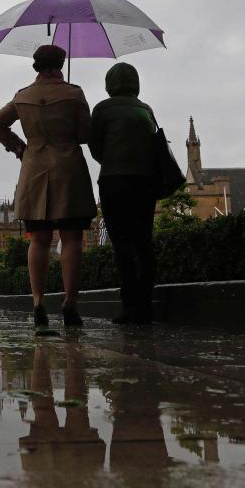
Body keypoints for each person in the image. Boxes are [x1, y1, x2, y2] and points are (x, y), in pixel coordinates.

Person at [0, 44, 96, 328]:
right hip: (69, 170)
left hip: (34, 171)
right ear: (60, 64)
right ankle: (70, 304)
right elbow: (86, 134)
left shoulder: (23, 96)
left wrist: (19, 148)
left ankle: (38, 303)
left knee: (39, 240)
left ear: (36, 66)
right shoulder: (74, 93)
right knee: (71, 239)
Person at [89, 63, 158, 324]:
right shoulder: (145, 109)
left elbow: (95, 148)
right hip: (145, 181)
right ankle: (146, 305)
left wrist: (112, 157)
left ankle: (129, 306)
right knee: (143, 242)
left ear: (110, 84)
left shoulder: (102, 109)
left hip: (114, 180)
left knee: (121, 243)